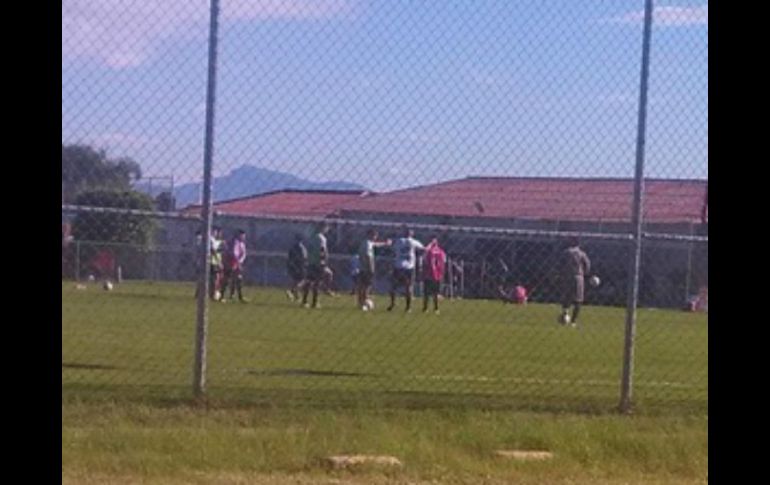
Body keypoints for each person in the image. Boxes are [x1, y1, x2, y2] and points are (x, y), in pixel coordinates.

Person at [387, 228, 426, 313]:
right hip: (409, 267)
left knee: (393, 287)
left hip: (398, 266)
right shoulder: (413, 241)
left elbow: (391, 246)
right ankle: (408, 307)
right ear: (411, 234)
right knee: (408, 287)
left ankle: (392, 304)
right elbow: (423, 249)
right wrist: (419, 257)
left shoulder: (398, 241)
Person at [559, 236, 591, 327]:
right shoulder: (581, 253)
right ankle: (573, 321)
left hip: (567, 276)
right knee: (578, 299)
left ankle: (565, 314)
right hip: (578, 277)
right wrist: (585, 274)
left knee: (567, 296)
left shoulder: (566, 252)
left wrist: (561, 273)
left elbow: (560, 264)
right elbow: (587, 265)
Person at [357, 228, 391, 311]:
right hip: (366, 268)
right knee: (366, 286)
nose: (376, 237)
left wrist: (385, 243)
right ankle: (364, 303)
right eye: (375, 235)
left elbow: (376, 244)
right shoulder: (367, 244)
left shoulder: (365, 243)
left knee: (363, 286)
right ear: (371, 235)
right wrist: (371, 268)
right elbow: (368, 256)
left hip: (362, 268)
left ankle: (361, 302)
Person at [301, 222, 331, 309]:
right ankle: (315, 302)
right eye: (326, 228)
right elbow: (322, 250)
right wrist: (323, 261)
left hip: (311, 262)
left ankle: (304, 301)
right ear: (323, 227)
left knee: (309, 282)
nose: (327, 230)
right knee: (317, 283)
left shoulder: (311, 237)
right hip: (318, 263)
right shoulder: (321, 238)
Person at [221, 229, 248, 303]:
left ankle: (239, 296)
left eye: (244, 235)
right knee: (227, 278)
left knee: (238, 279)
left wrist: (240, 261)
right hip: (231, 262)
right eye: (242, 235)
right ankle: (222, 296)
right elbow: (234, 253)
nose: (243, 237)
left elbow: (243, 254)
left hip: (237, 262)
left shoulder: (242, 244)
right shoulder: (234, 242)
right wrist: (236, 262)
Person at [421, 235, 446, 314]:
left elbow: (424, 260)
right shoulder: (441, 251)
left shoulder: (428, 251)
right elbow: (444, 262)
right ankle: (436, 309)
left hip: (429, 274)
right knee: (435, 292)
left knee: (427, 293)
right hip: (438, 275)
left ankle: (426, 308)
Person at [286, 234, 308, 302]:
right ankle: (293, 290)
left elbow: (289, 257)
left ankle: (296, 297)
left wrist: (290, 265)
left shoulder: (292, 247)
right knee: (304, 280)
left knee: (295, 280)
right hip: (300, 266)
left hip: (293, 266)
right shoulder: (301, 247)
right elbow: (304, 257)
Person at [209, 226, 226, 301]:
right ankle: (213, 294)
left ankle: (214, 293)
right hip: (213, 261)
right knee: (215, 278)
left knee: (218, 278)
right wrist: (219, 262)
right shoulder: (211, 239)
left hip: (216, 261)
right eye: (215, 232)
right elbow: (213, 250)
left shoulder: (216, 241)